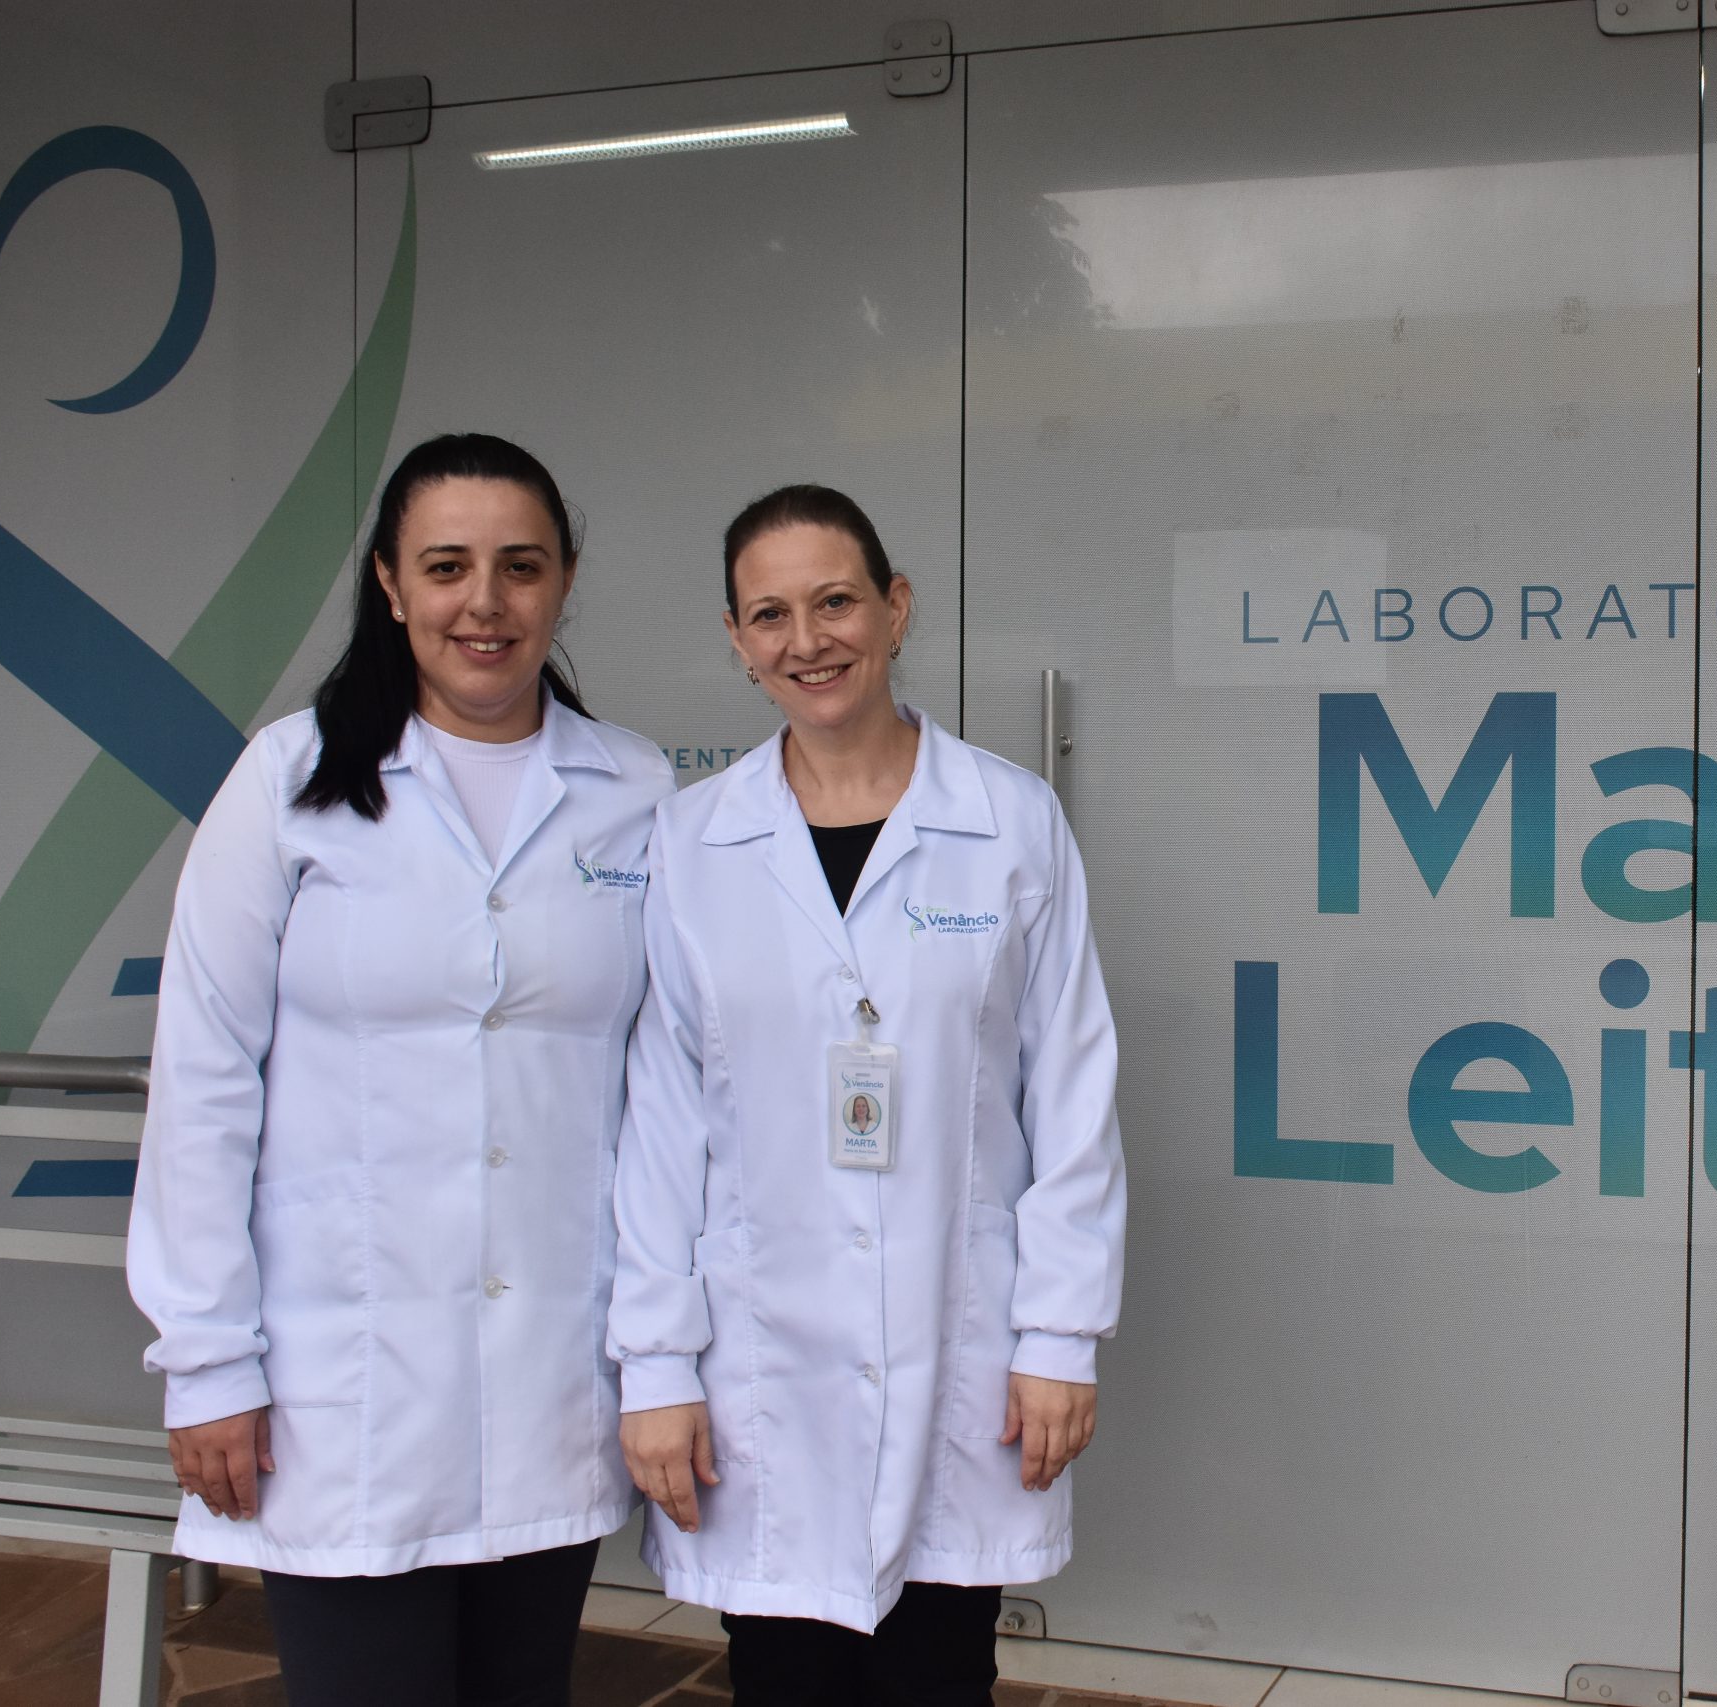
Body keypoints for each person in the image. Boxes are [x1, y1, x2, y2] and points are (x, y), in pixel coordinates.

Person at [126, 434, 674, 1707]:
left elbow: (665, 1095)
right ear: (388, 583)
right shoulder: (288, 782)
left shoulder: (635, 791)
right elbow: (205, 1077)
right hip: (342, 1382)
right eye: (446, 567)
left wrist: (662, 1354)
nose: (485, 602)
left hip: (550, 1367)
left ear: (565, 580)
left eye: (520, 566)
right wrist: (206, 1358)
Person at [611, 485, 1127, 1707]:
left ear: (895, 608)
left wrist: (1059, 1337)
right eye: (770, 615)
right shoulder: (692, 842)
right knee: (780, 1674)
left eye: (836, 601)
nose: (808, 640)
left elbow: (1072, 1093)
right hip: (760, 1361)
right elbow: (662, 1123)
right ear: (737, 640)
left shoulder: (1009, 821)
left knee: (939, 1672)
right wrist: (657, 1366)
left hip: (963, 1342)